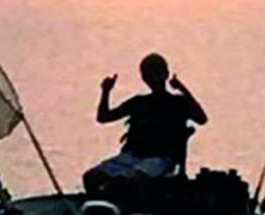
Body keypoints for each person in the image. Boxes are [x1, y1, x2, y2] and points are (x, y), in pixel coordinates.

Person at [83, 53, 208, 200]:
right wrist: (106, 91)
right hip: (132, 156)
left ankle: (143, 212)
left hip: (161, 158)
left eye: (157, 73)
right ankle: (102, 211)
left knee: (134, 180)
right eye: (148, 74)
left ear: (165, 74)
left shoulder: (178, 103)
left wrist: (182, 88)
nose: (153, 78)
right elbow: (104, 117)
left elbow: (201, 118)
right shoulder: (139, 102)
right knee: (91, 177)